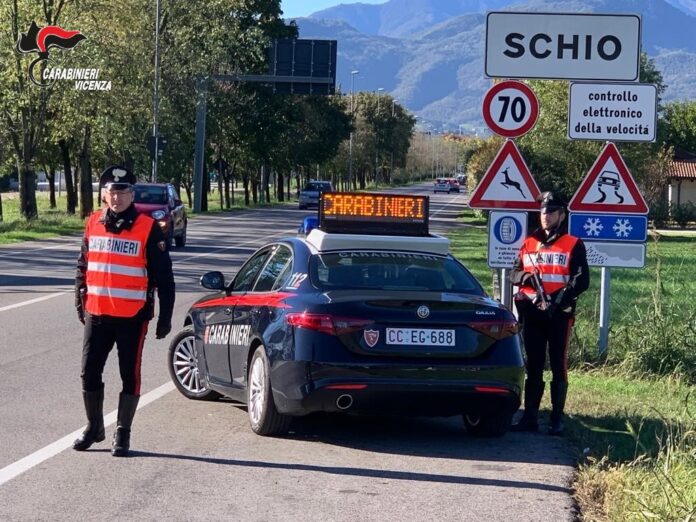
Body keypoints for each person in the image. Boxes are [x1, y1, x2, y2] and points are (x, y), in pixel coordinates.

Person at [73, 166, 175, 457]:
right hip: (98, 314)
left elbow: (164, 278)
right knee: (88, 373)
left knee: (129, 375)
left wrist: (165, 317)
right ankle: (94, 427)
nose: (117, 198)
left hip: (132, 317)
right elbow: (83, 267)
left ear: (132, 194)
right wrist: (80, 301)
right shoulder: (93, 222)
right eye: (112, 192)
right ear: (104, 195)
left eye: (123, 192)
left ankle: (123, 433)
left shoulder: (148, 227)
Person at [509, 191, 590, 435]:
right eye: (543, 212)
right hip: (532, 312)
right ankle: (530, 417)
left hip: (559, 313)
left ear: (561, 215)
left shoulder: (573, 243)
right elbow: (513, 273)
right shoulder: (528, 243)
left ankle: (557, 418)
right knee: (533, 364)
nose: (546, 216)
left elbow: (582, 280)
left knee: (558, 363)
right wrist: (527, 278)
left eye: (551, 212)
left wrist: (558, 300)